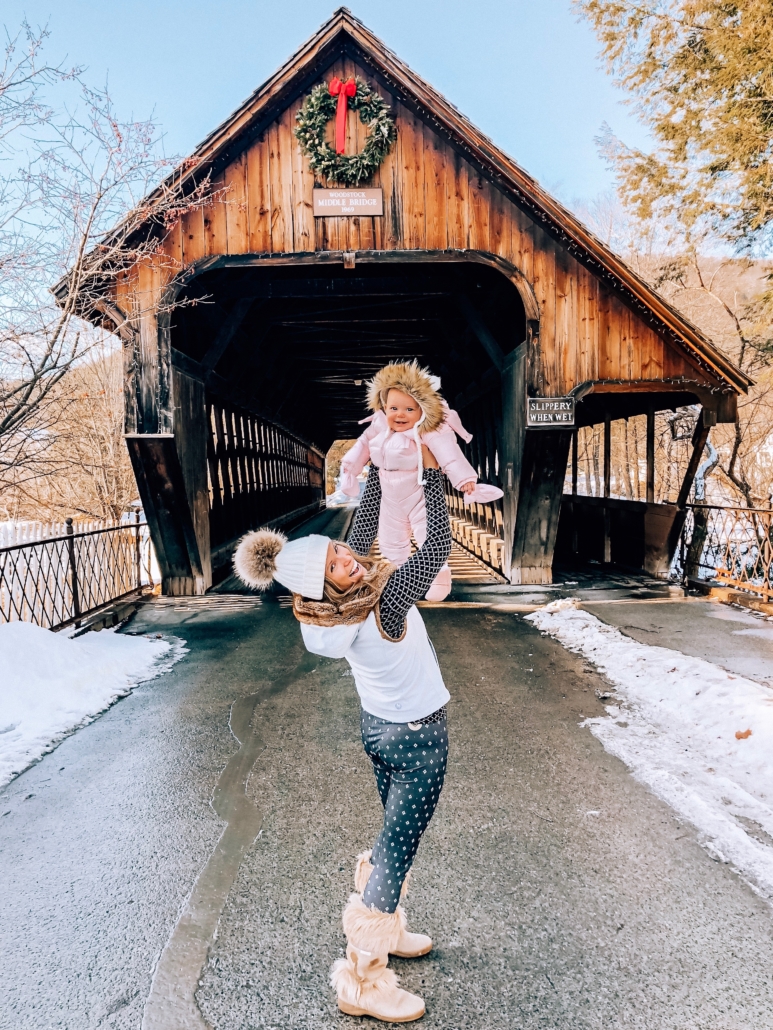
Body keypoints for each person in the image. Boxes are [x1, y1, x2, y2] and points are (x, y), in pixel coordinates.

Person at [234, 448, 452, 1022]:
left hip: (380, 731)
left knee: (393, 834)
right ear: (325, 587)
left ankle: (387, 926)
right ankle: (363, 976)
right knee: (398, 845)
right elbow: (434, 551)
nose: (350, 561)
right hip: (418, 737)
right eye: (336, 565)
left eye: (341, 553)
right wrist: (429, 475)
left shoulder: (337, 612)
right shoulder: (388, 600)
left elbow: (360, 530)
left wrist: (381, 468)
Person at [339, 361, 502, 601]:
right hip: (389, 496)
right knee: (390, 542)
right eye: (394, 408)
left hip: (419, 493)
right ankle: (402, 579)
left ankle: (439, 577)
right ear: (384, 407)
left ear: (422, 410)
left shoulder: (427, 431)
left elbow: (449, 453)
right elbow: (362, 446)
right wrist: (349, 469)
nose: (400, 415)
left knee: (429, 537)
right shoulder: (378, 427)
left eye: (409, 409)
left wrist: (465, 479)